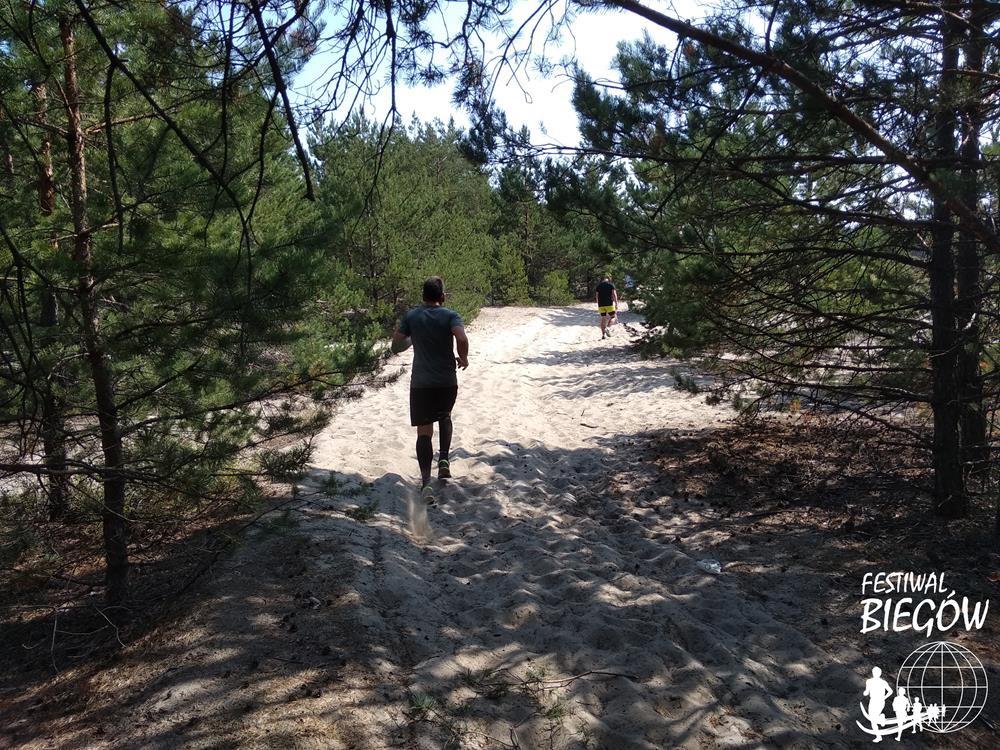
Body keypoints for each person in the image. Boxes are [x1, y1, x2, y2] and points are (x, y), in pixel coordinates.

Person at [391, 277, 469, 505]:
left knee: (424, 431)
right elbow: (462, 338)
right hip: (446, 381)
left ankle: (426, 483)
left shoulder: (412, 316)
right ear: (442, 296)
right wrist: (463, 358)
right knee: (445, 416)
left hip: (421, 383)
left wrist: (412, 339)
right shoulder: (451, 315)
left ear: (423, 296)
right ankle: (443, 460)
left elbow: (396, 346)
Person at [863, 667, 893, 741]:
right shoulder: (869, 681)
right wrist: (865, 693)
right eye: (874, 672)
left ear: (880, 673)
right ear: (873, 672)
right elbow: (867, 691)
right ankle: (878, 736)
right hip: (872, 701)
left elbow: (890, 691)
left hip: (879, 701)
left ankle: (881, 718)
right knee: (872, 720)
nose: (875, 673)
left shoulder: (883, 682)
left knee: (873, 719)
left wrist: (884, 698)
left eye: (877, 672)